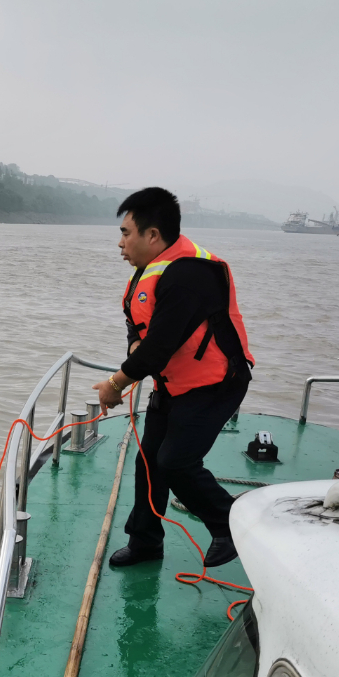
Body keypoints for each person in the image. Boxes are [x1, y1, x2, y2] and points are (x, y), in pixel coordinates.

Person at [92, 187, 254, 569]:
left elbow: (160, 346)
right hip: (173, 385)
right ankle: (145, 542)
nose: (120, 243)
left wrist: (115, 384)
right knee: (149, 463)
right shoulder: (148, 271)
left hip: (216, 385)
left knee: (175, 462)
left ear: (152, 235)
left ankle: (230, 526)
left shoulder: (188, 274)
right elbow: (137, 326)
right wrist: (133, 345)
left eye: (126, 233)